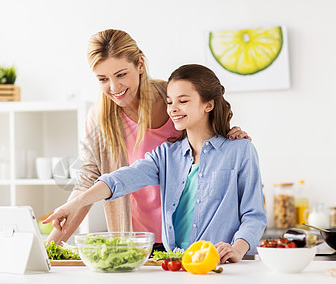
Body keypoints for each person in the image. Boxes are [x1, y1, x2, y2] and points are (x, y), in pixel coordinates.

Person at [46, 30, 250, 253]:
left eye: (121, 74)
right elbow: (93, 183)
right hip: (138, 241)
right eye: (103, 79)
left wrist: (230, 136)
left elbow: (210, 134)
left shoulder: (175, 99)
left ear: (140, 64)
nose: (114, 88)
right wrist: (49, 248)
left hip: (193, 238)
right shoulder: (100, 121)